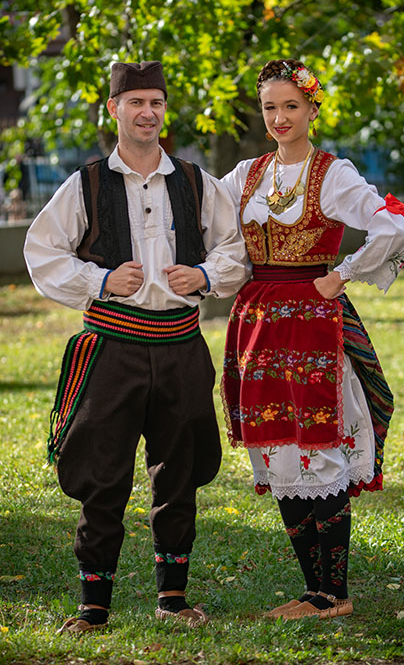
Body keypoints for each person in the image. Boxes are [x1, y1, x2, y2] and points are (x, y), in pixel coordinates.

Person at [24, 60, 250, 632]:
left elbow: (235, 250)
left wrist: (204, 275)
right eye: (136, 102)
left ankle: (173, 598)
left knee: (179, 473)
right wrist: (100, 280)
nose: (147, 113)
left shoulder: (196, 182)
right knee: (103, 476)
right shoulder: (85, 184)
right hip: (111, 349)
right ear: (114, 109)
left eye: (156, 102)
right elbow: (42, 252)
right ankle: (93, 606)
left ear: (164, 109)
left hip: (180, 346)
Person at [221, 59, 404, 620]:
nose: (279, 118)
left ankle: (333, 593)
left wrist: (343, 273)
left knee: (317, 444)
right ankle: (315, 591)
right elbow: (206, 223)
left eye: (291, 106)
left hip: (311, 324)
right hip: (257, 323)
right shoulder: (246, 174)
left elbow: (393, 226)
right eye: (270, 107)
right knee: (277, 446)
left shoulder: (333, 174)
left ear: (312, 109)